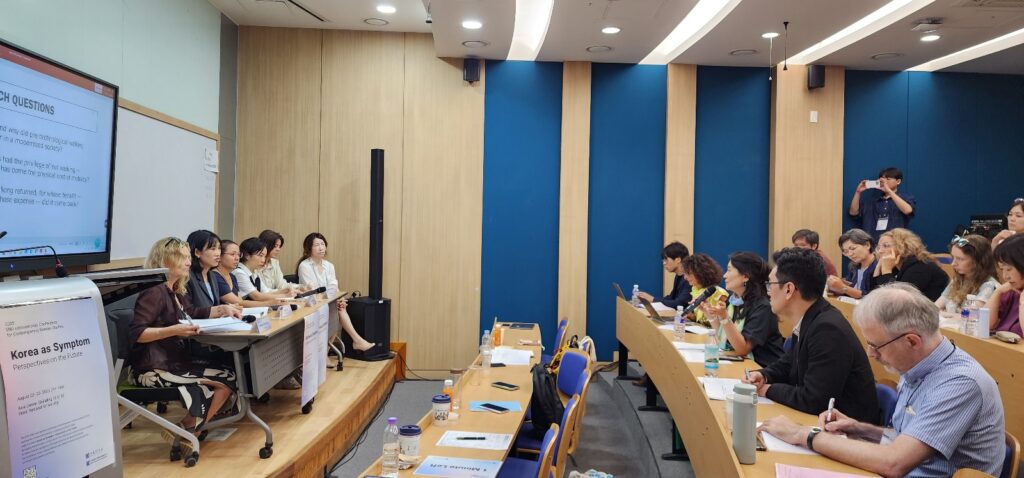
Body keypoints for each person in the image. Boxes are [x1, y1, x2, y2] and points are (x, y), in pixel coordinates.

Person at [758, 284, 1005, 478]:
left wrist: (803, 434)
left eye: (876, 346)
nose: (871, 354)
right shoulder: (917, 365)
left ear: (911, 341)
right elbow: (905, 437)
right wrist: (859, 429)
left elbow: (894, 462)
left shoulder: (959, 383)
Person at [745, 248, 878, 423]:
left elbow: (814, 399)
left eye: (770, 284)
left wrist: (767, 390)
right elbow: (789, 362)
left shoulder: (827, 329)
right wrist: (763, 375)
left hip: (847, 431)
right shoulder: (812, 317)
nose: (768, 291)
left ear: (789, 289)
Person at [128, 237, 242, 440]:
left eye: (189, 257)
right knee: (227, 378)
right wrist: (173, 330)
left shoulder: (174, 290)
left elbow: (194, 312)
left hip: (172, 361)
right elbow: (137, 333)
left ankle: (186, 429)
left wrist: (221, 309)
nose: (189, 262)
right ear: (165, 260)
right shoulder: (154, 292)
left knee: (229, 373)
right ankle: (187, 431)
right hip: (152, 369)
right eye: (183, 258)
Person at [699, 252, 785, 367]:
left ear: (745, 276)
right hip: (740, 363)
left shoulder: (763, 307)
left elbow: (742, 349)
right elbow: (726, 336)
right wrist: (710, 315)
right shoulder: (734, 301)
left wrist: (724, 318)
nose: (725, 276)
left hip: (761, 368)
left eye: (729, 270)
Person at [295, 232, 375, 352]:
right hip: (311, 303)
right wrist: (333, 299)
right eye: (316, 245)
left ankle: (329, 351)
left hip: (328, 301)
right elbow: (313, 290)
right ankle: (355, 341)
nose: (321, 248)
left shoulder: (329, 266)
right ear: (308, 248)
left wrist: (339, 298)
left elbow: (334, 287)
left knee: (340, 307)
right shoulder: (304, 266)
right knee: (337, 309)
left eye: (323, 244)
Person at [871, 228, 949, 301]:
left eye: (886, 246)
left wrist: (886, 271)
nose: (880, 251)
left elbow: (897, 300)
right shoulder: (896, 267)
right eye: (878, 247)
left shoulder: (919, 266)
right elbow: (872, 296)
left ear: (903, 246)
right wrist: (878, 270)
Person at [935, 235, 999, 316]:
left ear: (978, 261)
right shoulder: (957, 280)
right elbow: (935, 307)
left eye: (960, 259)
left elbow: (971, 317)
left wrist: (943, 314)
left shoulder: (989, 286)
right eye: (953, 257)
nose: (953, 264)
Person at [849, 167, 916, 241]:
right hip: (872, 242)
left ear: (898, 181)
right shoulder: (872, 201)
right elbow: (853, 213)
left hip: (895, 242)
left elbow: (908, 210)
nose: (884, 182)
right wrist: (858, 192)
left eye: (888, 179)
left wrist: (889, 191)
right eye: (882, 179)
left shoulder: (905, 197)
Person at [213, 240, 287, 308]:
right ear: (220, 256)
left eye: (238, 255)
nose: (237, 258)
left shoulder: (232, 276)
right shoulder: (216, 276)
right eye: (233, 254)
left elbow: (240, 301)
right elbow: (241, 301)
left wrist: (283, 293)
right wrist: (271, 302)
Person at [232, 237, 293, 302]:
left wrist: (284, 291)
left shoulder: (254, 272)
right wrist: (285, 296)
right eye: (260, 255)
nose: (263, 260)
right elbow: (257, 296)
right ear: (247, 255)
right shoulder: (239, 273)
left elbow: (266, 292)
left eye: (264, 256)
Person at [986, 233, 1024, 336]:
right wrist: (998, 292)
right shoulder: (1010, 291)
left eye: (1009, 269)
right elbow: (985, 325)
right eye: (1002, 269)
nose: (1005, 276)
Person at [637, 241, 692, 309]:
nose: (664, 263)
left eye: (666, 260)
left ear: (678, 260)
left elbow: (679, 304)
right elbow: (672, 298)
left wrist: (652, 299)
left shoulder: (690, 279)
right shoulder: (678, 276)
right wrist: (651, 300)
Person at [680, 253, 728, 326]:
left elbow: (722, 323)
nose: (685, 277)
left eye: (688, 273)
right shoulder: (695, 290)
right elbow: (700, 319)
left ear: (701, 273)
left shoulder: (720, 294)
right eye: (684, 274)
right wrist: (692, 317)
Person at [827, 229, 877, 299]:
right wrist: (835, 286)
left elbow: (873, 298)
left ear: (867, 245)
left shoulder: (879, 266)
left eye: (853, 248)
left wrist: (844, 288)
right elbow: (850, 290)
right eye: (846, 252)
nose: (850, 254)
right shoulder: (853, 266)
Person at [256, 229, 306, 294]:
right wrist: (285, 291)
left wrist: (299, 287)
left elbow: (281, 284)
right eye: (275, 246)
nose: (278, 249)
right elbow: (263, 291)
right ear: (266, 245)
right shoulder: (255, 265)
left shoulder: (274, 263)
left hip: (275, 297)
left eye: (279, 246)